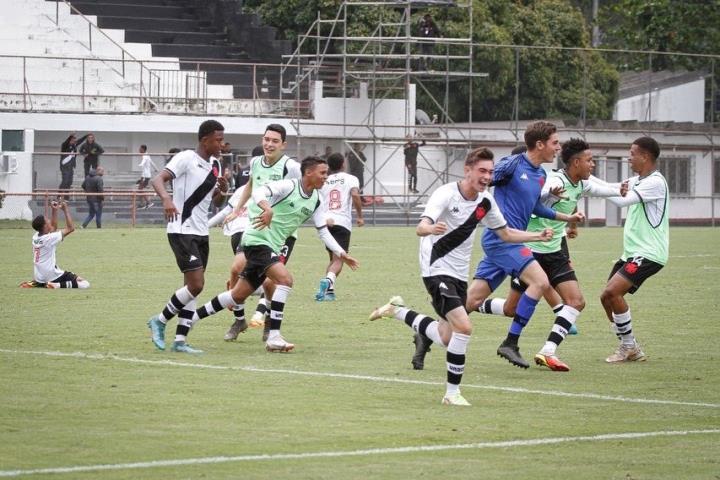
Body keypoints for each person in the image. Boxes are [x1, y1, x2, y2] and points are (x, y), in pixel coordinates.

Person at [368, 147, 553, 406]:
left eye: (490, 172)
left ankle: (398, 311)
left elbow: (506, 234)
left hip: (458, 273)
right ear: (467, 170)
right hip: (435, 268)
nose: (487, 176)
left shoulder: (485, 201)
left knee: (446, 336)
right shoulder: (446, 193)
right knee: (464, 328)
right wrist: (430, 228)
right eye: (482, 171)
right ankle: (451, 394)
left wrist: (537, 236)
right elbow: (422, 226)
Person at [478, 138, 628, 371]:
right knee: (511, 309)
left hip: (555, 249)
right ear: (576, 162)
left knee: (577, 301)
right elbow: (535, 204)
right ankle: (473, 307)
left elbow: (602, 188)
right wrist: (550, 197)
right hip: (531, 249)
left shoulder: (581, 183)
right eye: (589, 160)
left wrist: (620, 189)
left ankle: (547, 351)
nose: (593, 165)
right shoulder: (551, 180)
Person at [192, 156, 359, 352]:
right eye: (322, 173)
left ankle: (191, 318)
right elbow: (259, 190)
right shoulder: (288, 186)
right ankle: (274, 337)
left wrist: (341, 253)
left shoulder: (316, 199)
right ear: (308, 173)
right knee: (285, 280)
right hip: (257, 239)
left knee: (237, 295)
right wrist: (267, 208)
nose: (326, 177)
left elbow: (322, 230)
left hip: (271, 245)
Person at [461, 121, 585, 369]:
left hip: (510, 240)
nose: (558, 148)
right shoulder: (512, 164)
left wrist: (566, 217)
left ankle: (427, 331)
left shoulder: (540, 174)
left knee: (471, 301)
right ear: (539, 144)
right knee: (540, 282)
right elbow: (481, 182)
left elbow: (534, 207)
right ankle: (510, 342)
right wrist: (465, 209)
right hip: (502, 239)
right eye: (554, 143)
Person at [147, 119, 229, 354]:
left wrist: (222, 189)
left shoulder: (215, 165)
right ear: (204, 140)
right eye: (218, 140)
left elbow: (215, 202)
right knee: (196, 284)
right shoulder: (186, 158)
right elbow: (158, 179)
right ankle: (160, 320)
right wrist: (166, 199)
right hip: (182, 230)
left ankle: (180, 341)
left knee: (193, 287)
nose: (221, 144)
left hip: (202, 232)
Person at [221, 125, 301, 342]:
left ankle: (270, 325)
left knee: (270, 282)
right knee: (236, 268)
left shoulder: (291, 167)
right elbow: (250, 186)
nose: (269, 144)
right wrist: (237, 210)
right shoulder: (256, 162)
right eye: (267, 139)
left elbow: (305, 192)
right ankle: (239, 320)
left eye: (275, 141)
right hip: (256, 227)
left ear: (283, 145)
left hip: (281, 234)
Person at [600, 137, 669, 363]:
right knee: (606, 298)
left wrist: (591, 185)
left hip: (648, 252)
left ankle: (628, 346)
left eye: (632, 153)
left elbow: (621, 201)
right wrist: (582, 179)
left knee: (613, 292)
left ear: (645, 156)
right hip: (632, 252)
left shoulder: (655, 182)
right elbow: (611, 188)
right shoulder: (637, 179)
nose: (629, 157)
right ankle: (629, 346)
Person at [315, 152, 364, 301]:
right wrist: (360, 216)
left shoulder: (324, 180)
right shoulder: (351, 178)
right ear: (343, 163)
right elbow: (355, 195)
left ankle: (328, 292)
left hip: (326, 222)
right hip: (341, 222)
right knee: (338, 260)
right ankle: (328, 281)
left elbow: (317, 200)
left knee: (333, 259)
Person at [28, 200, 90, 289]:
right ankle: (56, 285)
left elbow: (53, 228)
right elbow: (71, 228)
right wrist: (65, 210)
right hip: (51, 275)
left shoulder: (36, 237)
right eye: (47, 220)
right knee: (85, 283)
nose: (49, 221)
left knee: (47, 277)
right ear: (45, 226)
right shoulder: (49, 238)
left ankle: (38, 283)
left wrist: (55, 210)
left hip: (39, 276)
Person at [58, 133, 88, 199]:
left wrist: (86, 135)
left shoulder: (74, 145)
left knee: (69, 181)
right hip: (65, 165)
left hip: (71, 166)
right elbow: (66, 141)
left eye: (74, 141)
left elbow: (80, 141)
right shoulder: (65, 145)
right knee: (65, 181)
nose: (74, 142)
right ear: (70, 140)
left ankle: (66, 197)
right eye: (72, 140)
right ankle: (59, 196)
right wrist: (70, 136)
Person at [137, 145, 158, 209]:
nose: (139, 150)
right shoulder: (147, 155)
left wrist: (141, 164)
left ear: (143, 149)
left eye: (140, 149)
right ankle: (142, 203)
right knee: (140, 189)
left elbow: (143, 162)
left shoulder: (145, 156)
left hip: (145, 175)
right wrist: (156, 169)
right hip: (145, 175)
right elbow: (152, 163)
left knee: (140, 189)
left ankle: (148, 202)